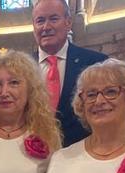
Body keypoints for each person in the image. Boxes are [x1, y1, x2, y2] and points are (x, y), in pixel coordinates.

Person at [32, 0, 107, 147]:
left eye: (53, 19)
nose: (46, 27)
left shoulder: (95, 64)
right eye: (40, 21)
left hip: (82, 156)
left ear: (68, 22)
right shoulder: (20, 70)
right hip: (31, 158)